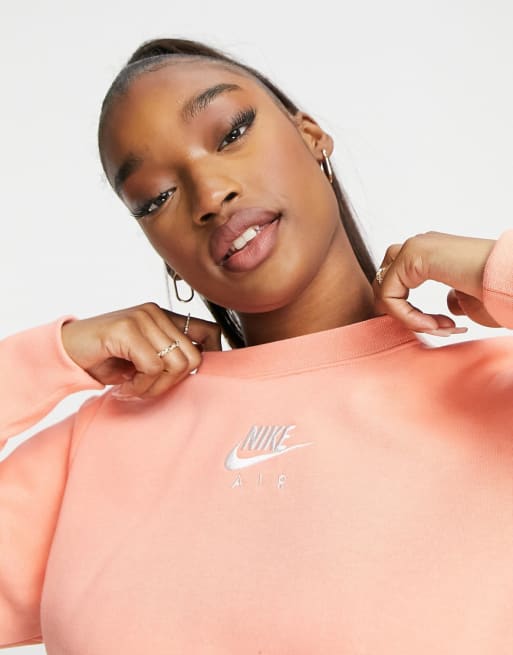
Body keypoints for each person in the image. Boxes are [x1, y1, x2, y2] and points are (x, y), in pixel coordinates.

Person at [1, 38, 512, 654]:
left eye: (231, 133)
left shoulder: (497, 393)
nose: (209, 195)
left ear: (312, 137)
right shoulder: (93, 450)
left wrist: (495, 268)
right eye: (155, 198)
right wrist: (48, 358)